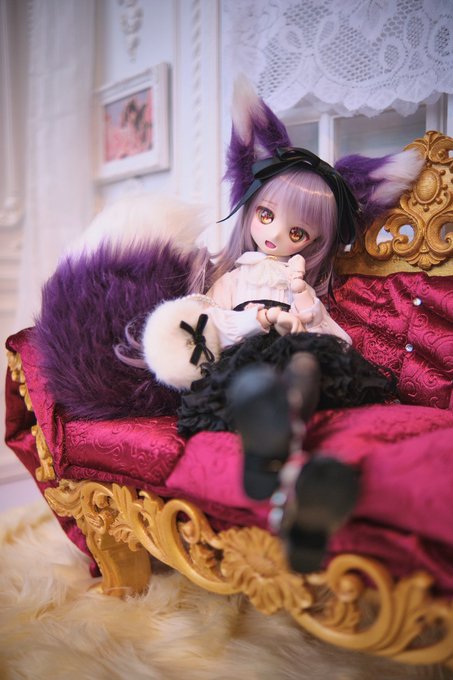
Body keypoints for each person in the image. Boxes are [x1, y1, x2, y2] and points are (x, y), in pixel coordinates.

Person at [141, 77, 424, 572]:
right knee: (257, 379)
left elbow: (339, 342)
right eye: (266, 215)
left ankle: (277, 451)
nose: (275, 235)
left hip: (298, 352)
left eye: (297, 231)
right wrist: (258, 320)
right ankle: (278, 448)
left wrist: (309, 314)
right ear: (251, 210)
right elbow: (206, 324)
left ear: (314, 241)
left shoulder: (303, 285)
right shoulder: (232, 279)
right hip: (247, 356)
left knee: (310, 365)